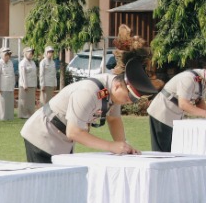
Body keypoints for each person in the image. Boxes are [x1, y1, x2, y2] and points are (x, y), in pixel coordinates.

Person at [21, 58, 155, 163]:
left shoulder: (113, 93)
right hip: (43, 135)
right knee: (46, 184)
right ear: (118, 86)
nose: (129, 102)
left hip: (62, 140)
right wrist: (111, 146)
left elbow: (114, 119)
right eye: (129, 97)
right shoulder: (89, 91)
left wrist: (124, 147)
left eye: (134, 100)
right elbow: (74, 132)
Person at [146, 67, 206, 153]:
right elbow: (183, 104)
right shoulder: (188, 78)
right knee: (161, 153)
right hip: (162, 113)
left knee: (172, 151)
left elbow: (199, 102)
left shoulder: (202, 82)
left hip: (174, 117)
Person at [0, 47, 17, 120]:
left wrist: (13, 84)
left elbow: (12, 74)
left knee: (9, 102)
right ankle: (2, 117)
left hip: (9, 86)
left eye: (8, 55)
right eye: (6, 55)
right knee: (2, 102)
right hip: (2, 86)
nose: (7, 57)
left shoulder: (10, 62)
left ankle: (9, 117)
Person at [19, 46, 41, 114]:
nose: (31, 54)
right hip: (25, 85)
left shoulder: (33, 62)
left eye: (32, 53)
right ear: (25, 53)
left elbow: (35, 74)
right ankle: (23, 114)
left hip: (32, 84)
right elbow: (22, 74)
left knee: (31, 101)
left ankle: (30, 113)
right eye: (30, 53)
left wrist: (36, 84)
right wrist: (24, 84)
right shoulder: (23, 62)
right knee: (25, 100)